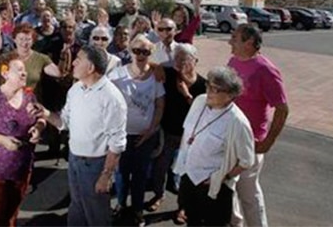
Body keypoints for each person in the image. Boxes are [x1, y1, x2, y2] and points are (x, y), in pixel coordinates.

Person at [30, 45, 128, 226]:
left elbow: (117, 142)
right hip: (74, 159)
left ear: (90, 68)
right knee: (77, 205)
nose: (73, 62)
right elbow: (63, 122)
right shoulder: (75, 90)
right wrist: (45, 113)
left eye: (78, 59)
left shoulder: (111, 98)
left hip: (96, 166)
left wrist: (106, 175)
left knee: (97, 214)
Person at [173, 66, 255, 226]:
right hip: (188, 176)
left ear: (230, 95)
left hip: (213, 186)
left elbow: (246, 160)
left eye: (215, 89)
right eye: (208, 85)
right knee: (192, 220)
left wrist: (223, 177)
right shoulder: (199, 101)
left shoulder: (237, 122)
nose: (209, 91)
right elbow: (188, 132)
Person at [228, 24, 289, 227]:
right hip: (229, 138)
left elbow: (282, 109)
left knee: (248, 194)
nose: (230, 42)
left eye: (235, 38)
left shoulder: (265, 70)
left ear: (249, 42)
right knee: (227, 189)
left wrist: (267, 142)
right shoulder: (233, 61)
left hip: (251, 143)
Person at [0, 53, 45, 226]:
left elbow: (41, 119)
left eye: (24, 70)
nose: (24, 73)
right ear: (5, 73)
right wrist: (3, 140)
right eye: (18, 70)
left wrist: (38, 128)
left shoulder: (30, 97)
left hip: (21, 168)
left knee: (10, 217)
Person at [107, 35, 165, 226]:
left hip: (145, 136)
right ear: (130, 51)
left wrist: (151, 130)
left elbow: (159, 105)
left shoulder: (156, 77)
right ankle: (121, 205)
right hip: (121, 135)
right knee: (121, 173)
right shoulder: (116, 75)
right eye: (136, 50)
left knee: (140, 175)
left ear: (151, 53)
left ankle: (138, 210)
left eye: (145, 51)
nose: (140, 55)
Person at [148, 44, 207, 212]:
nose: (180, 62)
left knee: (185, 173)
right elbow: (146, 63)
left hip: (189, 138)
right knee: (160, 168)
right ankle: (159, 195)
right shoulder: (168, 75)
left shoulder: (203, 85)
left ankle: (182, 207)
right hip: (167, 133)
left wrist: (186, 95)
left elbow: (204, 113)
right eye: (177, 58)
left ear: (195, 61)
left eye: (184, 59)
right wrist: (158, 66)